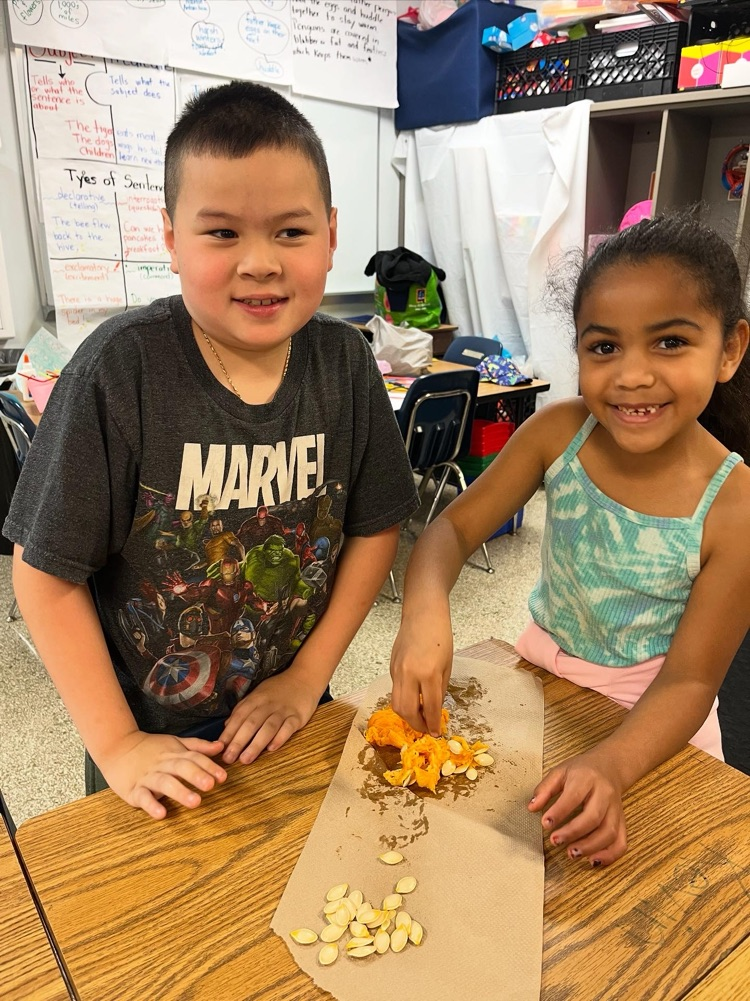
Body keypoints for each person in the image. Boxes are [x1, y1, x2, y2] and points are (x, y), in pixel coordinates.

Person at [5, 81, 418, 820]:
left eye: (290, 232)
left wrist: (307, 678)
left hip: (290, 709)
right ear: (171, 239)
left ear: (331, 234)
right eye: (222, 233)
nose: (259, 262)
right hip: (149, 737)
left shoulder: (346, 364)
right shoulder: (121, 370)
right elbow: (44, 575)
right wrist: (119, 744)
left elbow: (376, 524)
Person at [390, 215, 750, 867]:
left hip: (650, 731)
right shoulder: (559, 433)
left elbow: (691, 681)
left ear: (729, 349)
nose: (632, 375)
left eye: (670, 342)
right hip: (540, 683)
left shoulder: (734, 505)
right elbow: (451, 528)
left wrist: (612, 766)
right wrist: (422, 613)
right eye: (604, 347)